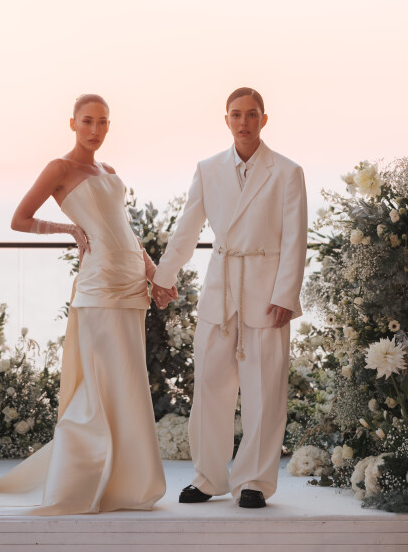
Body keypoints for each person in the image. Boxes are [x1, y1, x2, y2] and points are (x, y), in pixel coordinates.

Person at [0, 94, 166, 515]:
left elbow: (126, 232)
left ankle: (125, 485)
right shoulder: (59, 168)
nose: (95, 130)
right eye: (88, 121)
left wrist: (155, 277)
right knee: (97, 385)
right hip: (97, 286)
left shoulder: (109, 171)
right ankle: (82, 482)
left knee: (128, 382)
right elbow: (19, 219)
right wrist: (68, 229)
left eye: (103, 122)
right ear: (72, 123)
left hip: (131, 284)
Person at [152, 87, 307, 509]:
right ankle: (207, 478)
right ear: (226, 120)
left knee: (264, 391)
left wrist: (286, 295)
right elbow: (187, 229)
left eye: (252, 114)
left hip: (266, 292)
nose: (244, 122)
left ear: (263, 119)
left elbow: (295, 240)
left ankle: (253, 481)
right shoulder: (208, 169)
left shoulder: (287, 172)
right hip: (220, 291)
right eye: (236, 114)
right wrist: (162, 277)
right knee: (210, 387)